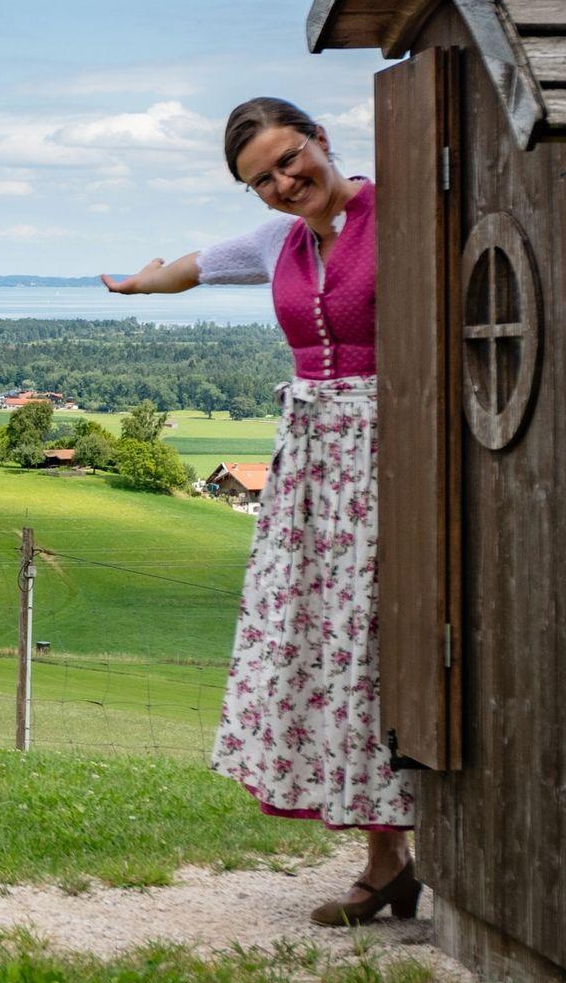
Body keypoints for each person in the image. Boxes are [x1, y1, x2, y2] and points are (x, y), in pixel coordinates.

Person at [101, 96, 418, 927]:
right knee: (329, 642)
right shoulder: (280, 241)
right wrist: (140, 283)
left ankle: (433, 847)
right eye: (261, 180)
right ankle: (387, 857)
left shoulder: (406, 212)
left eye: (289, 159)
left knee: (387, 639)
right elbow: (200, 265)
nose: (283, 183)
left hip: (401, 453)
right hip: (313, 470)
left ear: (322, 140)